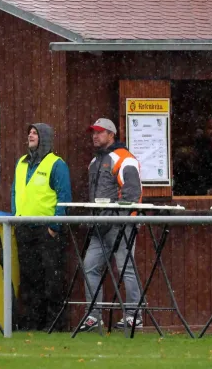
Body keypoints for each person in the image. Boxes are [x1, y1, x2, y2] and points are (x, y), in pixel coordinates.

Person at [80, 118, 143, 331]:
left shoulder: (125, 159)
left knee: (126, 269)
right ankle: (93, 316)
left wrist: (120, 217)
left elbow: (132, 193)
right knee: (89, 267)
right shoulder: (94, 162)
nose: (95, 136)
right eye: (93, 132)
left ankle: (134, 315)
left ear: (111, 134)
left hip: (120, 225)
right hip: (100, 226)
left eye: (99, 132)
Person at [11, 123, 72, 331]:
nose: (30, 134)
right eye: (29, 132)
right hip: (23, 228)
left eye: (35, 132)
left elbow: (64, 197)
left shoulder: (57, 164)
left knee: (51, 278)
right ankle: (31, 323)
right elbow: (15, 193)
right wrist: (15, 216)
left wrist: (55, 226)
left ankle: (54, 324)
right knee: (28, 278)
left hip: (46, 229)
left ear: (44, 137)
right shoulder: (21, 163)